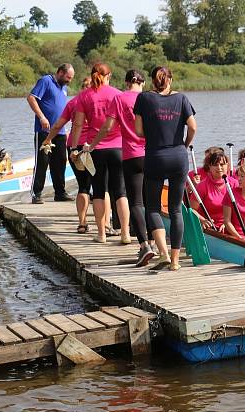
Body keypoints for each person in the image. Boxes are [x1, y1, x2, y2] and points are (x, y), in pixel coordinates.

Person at [84, 69, 151, 266]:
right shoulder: (149, 98)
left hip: (130, 154)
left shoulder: (120, 99)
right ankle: (155, 243)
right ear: (143, 83)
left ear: (126, 82)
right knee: (151, 202)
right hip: (152, 154)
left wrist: (93, 145)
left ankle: (142, 244)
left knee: (134, 201)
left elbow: (107, 127)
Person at [133, 65, 197, 271]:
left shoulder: (143, 99)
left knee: (152, 207)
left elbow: (139, 131)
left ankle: (163, 253)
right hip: (178, 156)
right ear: (170, 79)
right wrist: (184, 145)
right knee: (176, 209)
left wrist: (154, 133)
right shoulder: (181, 98)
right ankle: (176, 261)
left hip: (155, 156)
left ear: (152, 81)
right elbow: (193, 127)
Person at [70, 63, 130, 245]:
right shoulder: (118, 94)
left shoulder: (84, 96)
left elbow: (78, 125)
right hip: (118, 147)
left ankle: (101, 234)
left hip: (95, 149)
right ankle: (125, 234)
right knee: (120, 191)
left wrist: (74, 148)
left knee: (98, 191)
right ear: (108, 75)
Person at [41, 77, 92, 233]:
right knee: (100, 186)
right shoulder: (98, 101)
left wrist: (48, 140)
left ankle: (82, 223)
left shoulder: (73, 103)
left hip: (74, 148)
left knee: (83, 186)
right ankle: (104, 225)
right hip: (93, 147)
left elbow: (57, 125)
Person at [27, 63, 75, 203]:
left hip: (59, 132)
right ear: (60, 72)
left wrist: (65, 129)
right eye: (68, 77)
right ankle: (36, 193)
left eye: (71, 78)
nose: (69, 81)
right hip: (43, 131)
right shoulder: (46, 81)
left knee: (60, 162)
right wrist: (42, 117)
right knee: (42, 161)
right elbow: (31, 98)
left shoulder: (64, 87)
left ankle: (60, 193)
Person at [192, 151, 236, 231]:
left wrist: (227, 224)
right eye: (215, 165)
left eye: (222, 164)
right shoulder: (202, 186)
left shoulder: (234, 184)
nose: (219, 168)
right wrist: (203, 220)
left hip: (231, 225)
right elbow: (192, 209)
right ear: (210, 167)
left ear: (227, 166)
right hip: (210, 227)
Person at [223, 162, 245, 240]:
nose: (238, 179)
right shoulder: (230, 193)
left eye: (242, 176)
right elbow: (227, 221)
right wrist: (239, 238)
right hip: (234, 236)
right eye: (238, 175)